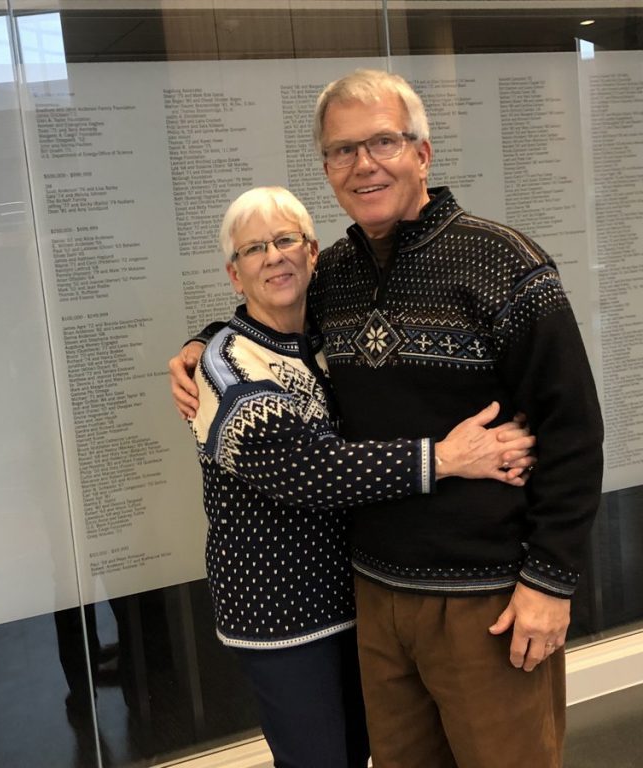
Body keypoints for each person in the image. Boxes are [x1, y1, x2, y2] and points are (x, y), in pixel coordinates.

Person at [170, 70, 604, 768]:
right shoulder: (333, 274)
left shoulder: (504, 263)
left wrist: (549, 584)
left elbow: (574, 432)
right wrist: (201, 345)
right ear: (327, 169)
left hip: (484, 598)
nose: (363, 164)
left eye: (382, 142)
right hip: (373, 596)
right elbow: (264, 322)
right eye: (343, 150)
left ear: (422, 153)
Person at [188, 185, 536, 768]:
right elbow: (309, 472)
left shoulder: (328, 339)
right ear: (234, 274)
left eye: (285, 240)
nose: (273, 256)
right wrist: (448, 457)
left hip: (359, 596)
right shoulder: (223, 367)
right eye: (253, 249)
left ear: (313, 253)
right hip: (283, 618)